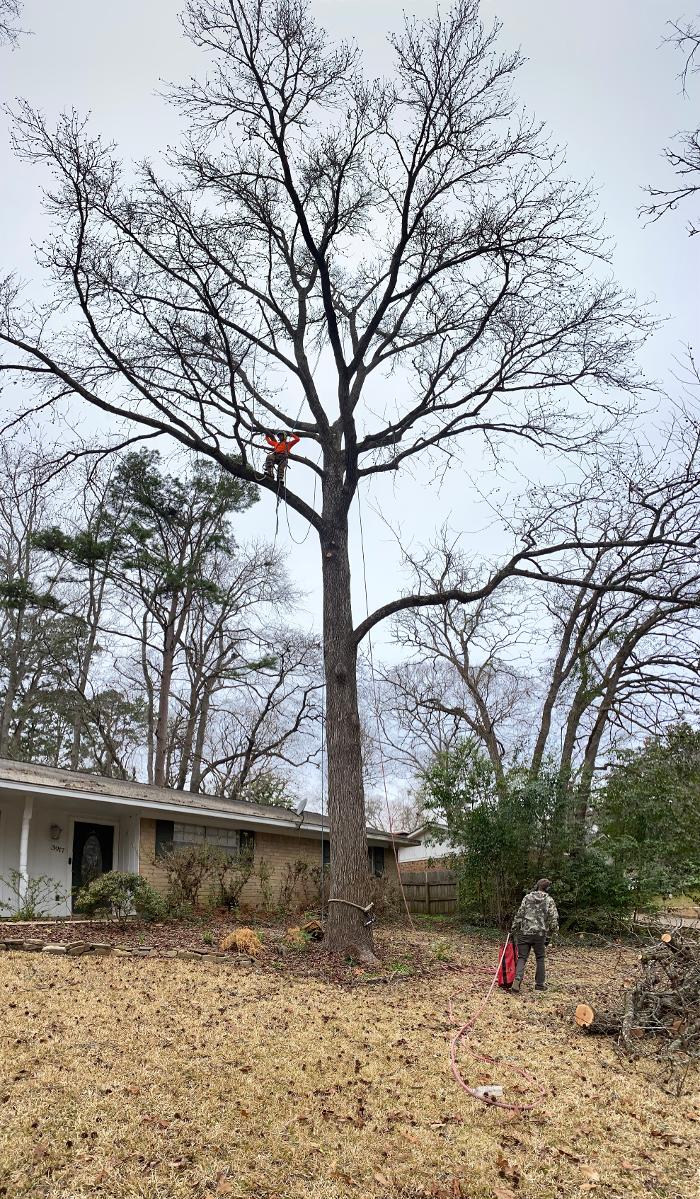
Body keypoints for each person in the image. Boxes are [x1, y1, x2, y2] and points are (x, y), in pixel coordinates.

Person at [509, 878, 558, 994]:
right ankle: (539, 985)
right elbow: (553, 918)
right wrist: (554, 931)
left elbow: (520, 914)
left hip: (525, 933)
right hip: (540, 935)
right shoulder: (549, 900)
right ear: (547, 889)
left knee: (522, 957)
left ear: (537, 886)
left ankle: (517, 981)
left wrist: (513, 928)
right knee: (540, 958)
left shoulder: (527, 898)